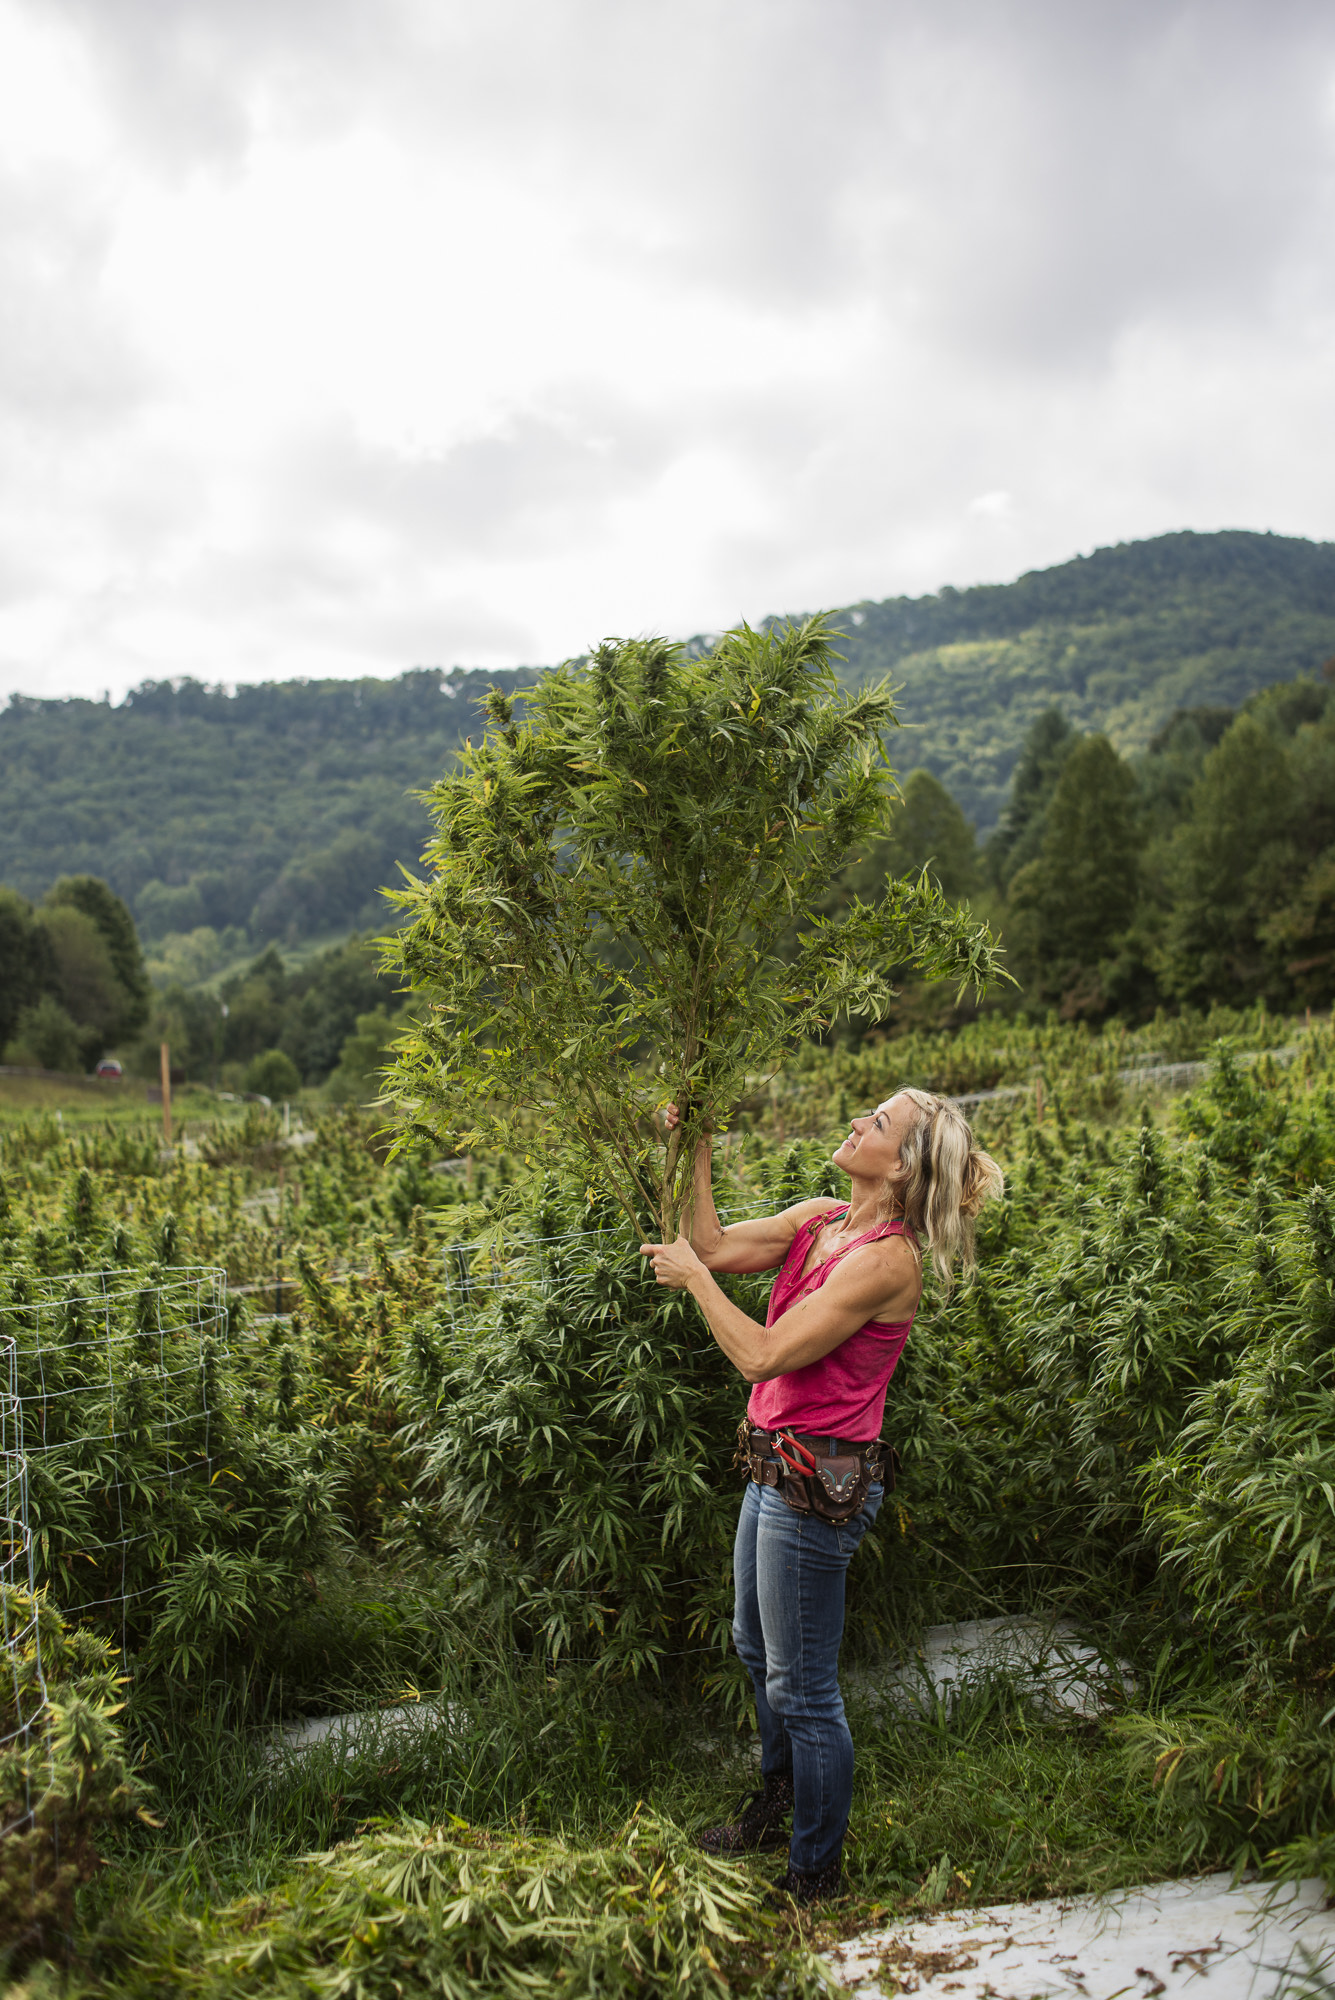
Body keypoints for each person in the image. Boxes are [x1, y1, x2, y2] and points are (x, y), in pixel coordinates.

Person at [640, 1088, 1003, 1906]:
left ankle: (815, 1877)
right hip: (773, 1466)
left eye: (875, 1123)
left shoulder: (885, 1260)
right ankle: (777, 1808)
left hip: (816, 1489)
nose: (854, 1122)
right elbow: (711, 1240)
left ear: (904, 1164)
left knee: (801, 1689)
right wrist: (695, 1143)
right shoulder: (819, 1221)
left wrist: (695, 1283)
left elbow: (763, 1355)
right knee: (754, 1651)